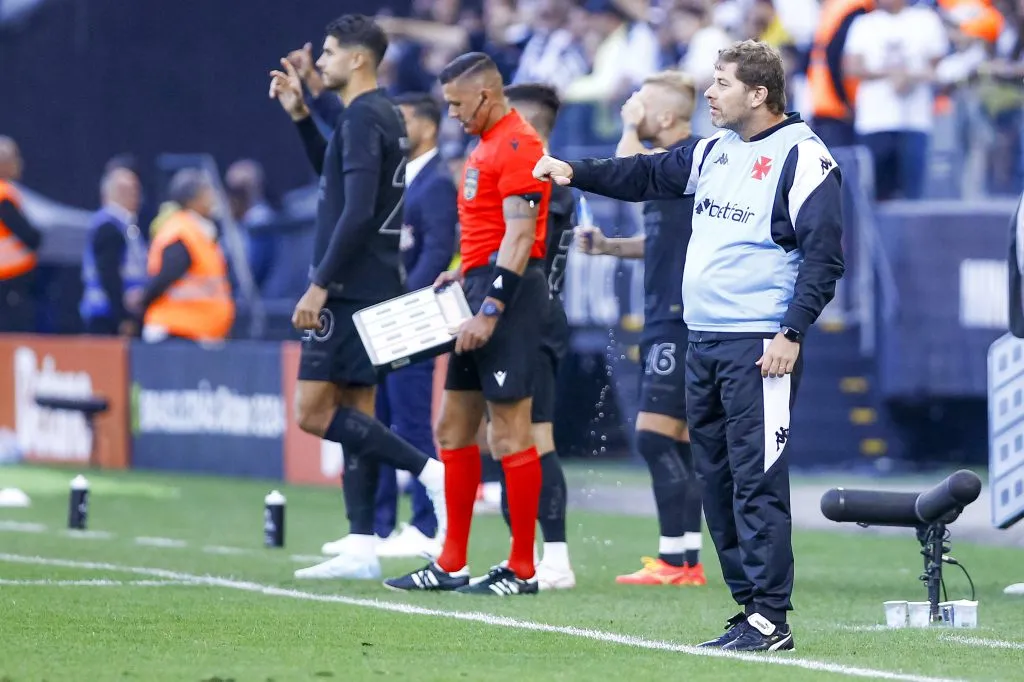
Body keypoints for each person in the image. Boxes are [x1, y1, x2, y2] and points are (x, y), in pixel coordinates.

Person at [533, 40, 845, 650]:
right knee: (717, 479)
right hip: (703, 340)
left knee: (756, 480)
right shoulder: (714, 151)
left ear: (759, 94)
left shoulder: (805, 157)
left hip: (759, 345)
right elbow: (646, 173)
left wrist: (790, 333)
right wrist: (576, 169)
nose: (710, 93)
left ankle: (770, 617)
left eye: (722, 83)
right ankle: (750, 608)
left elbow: (824, 258)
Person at [268, 14, 446, 581]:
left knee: (313, 413)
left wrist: (320, 283)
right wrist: (301, 117)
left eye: (328, 52)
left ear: (358, 59)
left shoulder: (366, 114)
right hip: (369, 285)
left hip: (348, 291)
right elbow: (338, 180)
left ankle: (431, 474)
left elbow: (359, 209)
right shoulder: (375, 116)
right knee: (356, 415)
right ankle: (363, 544)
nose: (320, 62)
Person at [385, 52, 551, 596]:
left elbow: (522, 238)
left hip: (512, 297)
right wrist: (458, 274)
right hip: (476, 289)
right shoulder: (483, 145)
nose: (453, 114)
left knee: (508, 434)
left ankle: (523, 569)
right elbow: (485, 234)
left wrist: (490, 308)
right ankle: (451, 561)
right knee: (451, 429)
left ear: (484, 94)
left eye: (457, 103)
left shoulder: (520, 144)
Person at [574, 70, 705, 588]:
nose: (632, 110)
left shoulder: (686, 159)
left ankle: (679, 561)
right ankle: (683, 561)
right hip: (666, 313)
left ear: (666, 117)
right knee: (679, 439)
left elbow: (625, 169)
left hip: (679, 316)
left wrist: (627, 125)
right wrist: (609, 247)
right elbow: (662, 240)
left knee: (653, 436)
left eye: (641, 106)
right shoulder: (667, 170)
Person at [322, 92, 457, 560]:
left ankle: (425, 523)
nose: (395, 130)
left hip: (410, 322)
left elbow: (438, 251)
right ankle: (376, 526)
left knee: (411, 420)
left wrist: (401, 305)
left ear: (427, 126)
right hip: (382, 319)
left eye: (403, 121)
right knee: (373, 420)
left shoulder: (436, 181)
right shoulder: (398, 180)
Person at [498, 82, 575, 590]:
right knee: (507, 439)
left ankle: (555, 559)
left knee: (534, 438)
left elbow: (524, 246)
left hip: (535, 319)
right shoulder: (544, 177)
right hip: (526, 317)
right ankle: (522, 555)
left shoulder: (547, 180)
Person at [138, 169, 235, 343]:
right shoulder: (181, 232)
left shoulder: (201, 231)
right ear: (192, 200)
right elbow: (165, 277)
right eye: (207, 192)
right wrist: (141, 302)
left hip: (198, 334)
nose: (212, 198)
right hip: (175, 332)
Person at [80, 166, 147, 336]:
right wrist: (122, 317)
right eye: (127, 190)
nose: (134, 196)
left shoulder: (127, 225)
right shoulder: (108, 226)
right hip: (107, 316)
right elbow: (108, 274)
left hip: (121, 312)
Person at [0, 136, 42, 333]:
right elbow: (30, 236)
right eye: (15, 158)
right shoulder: (3, 194)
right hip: (9, 281)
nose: (20, 164)